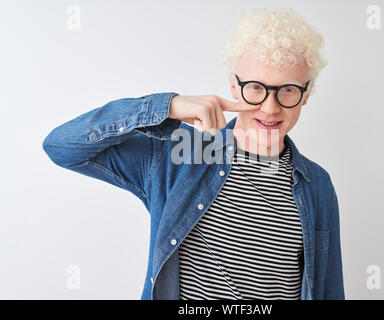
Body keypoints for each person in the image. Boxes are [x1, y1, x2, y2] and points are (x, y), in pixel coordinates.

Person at [42, 4, 344, 300]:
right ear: (234, 87)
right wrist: (168, 106)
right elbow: (62, 146)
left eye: (288, 89)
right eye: (256, 87)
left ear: (307, 91)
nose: (270, 107)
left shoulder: (316, 184)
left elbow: (329, 289)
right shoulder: (179, 154)